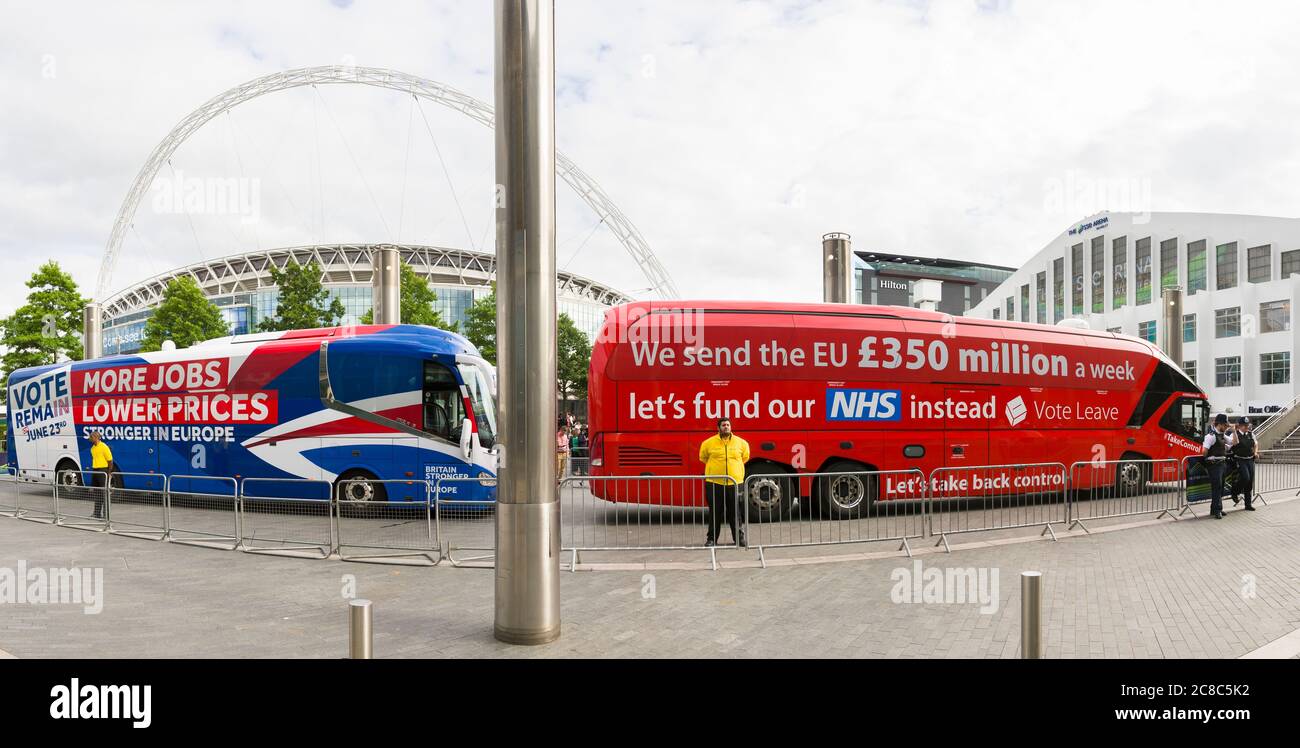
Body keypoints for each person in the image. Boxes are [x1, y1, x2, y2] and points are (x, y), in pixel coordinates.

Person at [698, 417, 750, 547]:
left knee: (735, 512)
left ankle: (739, 539)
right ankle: (711, 539)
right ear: (718, 428)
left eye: (727, 425)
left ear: (730, 427)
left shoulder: (741, 443)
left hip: (735, 482)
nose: (726, 427)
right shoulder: (708, 443)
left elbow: (745, 457)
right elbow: (703, 457)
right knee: (715, 512)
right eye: (723, 425)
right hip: (714, 483)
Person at [1202, 413, 1233, 519]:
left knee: (1220, 487)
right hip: (1214, 464)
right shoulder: (1210, 436)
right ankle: (1217, 510)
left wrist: (1234, 432)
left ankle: (1214, 509)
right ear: (1219, 424)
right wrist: (1211, 458)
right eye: (1225, 425)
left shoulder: (1222, 435)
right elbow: (1204, 451)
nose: (1226, 427)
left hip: (1222, 464)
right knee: (1217, 487)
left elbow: (1234, 442)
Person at [1229, 416, 1258, 511]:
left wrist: (1255, 452)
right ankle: (1235, 492)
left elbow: (1256, 444)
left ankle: (1248, 504)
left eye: (1247, 425)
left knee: (1250, 481)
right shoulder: (1234, 434)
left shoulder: (1251, 434)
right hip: (1240, 459)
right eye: (1244, 425)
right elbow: (1231, 444)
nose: (1246, 427)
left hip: (1250, 459)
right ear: (1239, 426)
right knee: (1245, 477)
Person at [88, 430, 113, 520]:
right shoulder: (92, 449)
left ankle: (106, 515)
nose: (90, 439)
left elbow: (110, 460)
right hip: (95, 470)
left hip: (103, 471)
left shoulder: (104, 447)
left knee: (104, 493)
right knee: (97, 493)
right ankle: (97, 513)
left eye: (91, 437)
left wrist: (109, 472)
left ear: (96, 437)